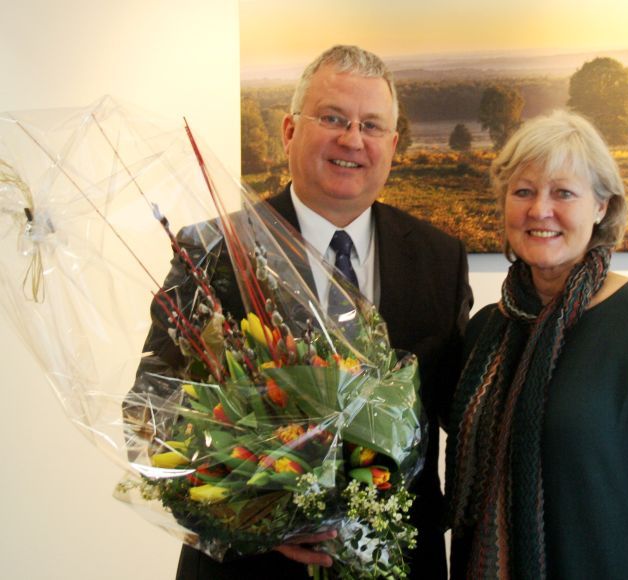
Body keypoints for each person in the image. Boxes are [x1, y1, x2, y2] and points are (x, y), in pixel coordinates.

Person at [137, 45, 472, 579]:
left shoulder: (439, 257)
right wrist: (254, 519)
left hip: (401, 565)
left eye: (372, 125)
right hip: (248, 569)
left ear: (392, 144)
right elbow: (152, 412)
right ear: (290, 131)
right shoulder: (215, 250)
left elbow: (458, 411)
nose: (352, 139)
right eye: (333, 118)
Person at [445, 110, 628, 579]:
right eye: (524, 191)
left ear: (601, 207)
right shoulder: (486, 331)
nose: (540, 210)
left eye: (564, 193)